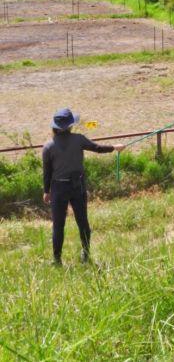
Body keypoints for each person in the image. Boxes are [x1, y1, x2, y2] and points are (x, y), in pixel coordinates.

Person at [42, 108, 125, 265]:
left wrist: (46, 191)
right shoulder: (79, 139)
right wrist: (114, 147)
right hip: (77, 186)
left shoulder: (48, 147)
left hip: (58, 189)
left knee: (58, 225)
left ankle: (57, 259)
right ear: (71, 125)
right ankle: (86, 255)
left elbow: (47, 172)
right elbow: (98, 148)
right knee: (83, 222)